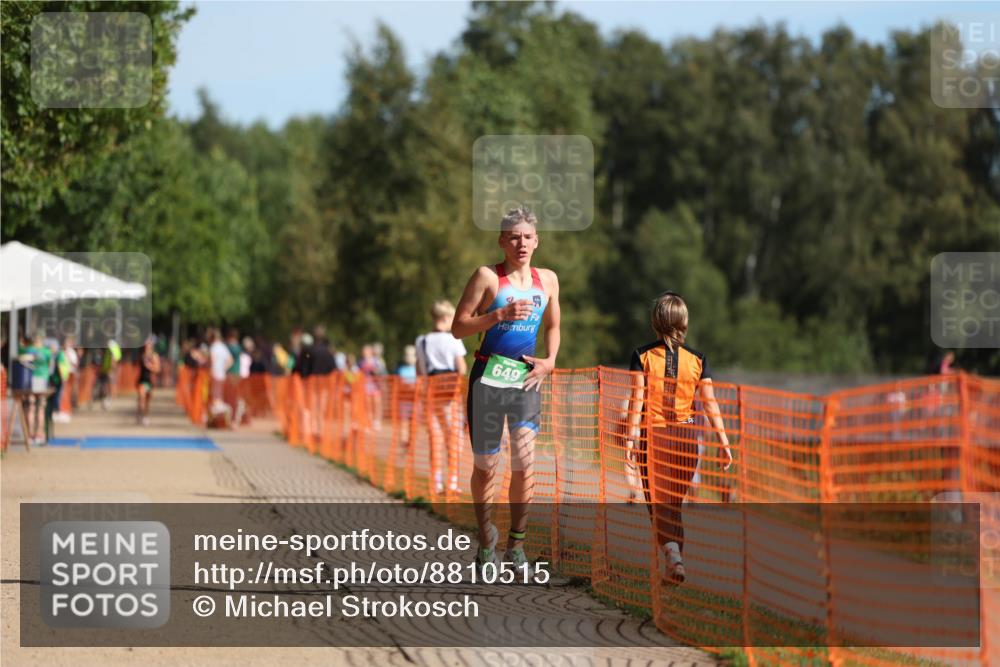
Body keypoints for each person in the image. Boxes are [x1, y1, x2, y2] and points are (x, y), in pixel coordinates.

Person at [452, 206, 561, 571]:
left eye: (527, 237)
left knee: (525, 462)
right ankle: (486, 539)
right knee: (485, 467)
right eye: (513, 237)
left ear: (537, 241)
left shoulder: (547, 280)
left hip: (525, 379)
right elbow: (458, 327)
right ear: (501, 241)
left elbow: (553, 326)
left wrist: (550, 361)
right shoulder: (487, 277)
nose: (521, 243)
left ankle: (517, 545)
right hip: (487, 377)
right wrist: (497, 315)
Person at [626, 291, 732, 584]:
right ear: (684, 324)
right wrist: (724, 443)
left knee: (660, 507)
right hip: (687, 438)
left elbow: (637, 399)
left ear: (655, 322)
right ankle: (675, 565)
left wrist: (632, 437)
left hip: (654, 437)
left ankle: (673, 555)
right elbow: (710, 403)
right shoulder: (698, 359)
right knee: (673, 505)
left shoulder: (642, 355)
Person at [416, 300, 468, 493]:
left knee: (435, 437)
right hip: (449, 393)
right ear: (446, 318)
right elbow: (461, 367)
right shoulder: (453, 339)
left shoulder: (421, 341)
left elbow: (420, 369)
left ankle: (436, 481)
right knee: (453, 438)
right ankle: (452, 481)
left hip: (430, 391)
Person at [136, 337, 161, 426]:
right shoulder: (142, 355)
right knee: (141, 397)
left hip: (150, 381)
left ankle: (145, 416)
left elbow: (158, 369)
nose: (147, 346)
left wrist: (149, 366)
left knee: (147, 400)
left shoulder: (154, 356)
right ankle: (140, 414)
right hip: (142, 380)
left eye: (149, 345)